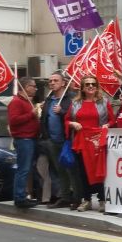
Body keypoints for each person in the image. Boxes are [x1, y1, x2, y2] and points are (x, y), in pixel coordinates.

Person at [66, 75, 115, 212]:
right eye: (87, 84)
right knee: (83, 172)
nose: (90, 86)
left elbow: (112, 120)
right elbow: (66, 120)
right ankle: (86, 200)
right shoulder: (75, 103)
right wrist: (72, 123)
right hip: (81, 142)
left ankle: (102, 200)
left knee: (99, 171)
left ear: (97, 86)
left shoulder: (104, 102)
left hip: (98, 142)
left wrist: (106, 125)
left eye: (93, 84)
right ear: (82, 87)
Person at [39, 71, 75, 209]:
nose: (52, 83)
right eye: (50, 81)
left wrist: (62, 111)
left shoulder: (69, 99)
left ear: (63, 83)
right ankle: (64, 197)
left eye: (55, 80)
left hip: (67, 141)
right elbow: (44, 119)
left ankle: (77, 197)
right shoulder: (48, 99)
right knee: (59, 171)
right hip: (52, 141)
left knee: (71, 171)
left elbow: (74, 116)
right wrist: (46, 137)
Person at [8, 77, 40, 208]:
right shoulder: (16, 102)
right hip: (24, 139)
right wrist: (32, 114)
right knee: (23, 169)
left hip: (30, 139)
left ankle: (22, 196)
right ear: (26, 87)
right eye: (33, 86)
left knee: (26, 169)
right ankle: (19, 198)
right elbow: (14, 121)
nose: (35, 88)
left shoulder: (26, 102)